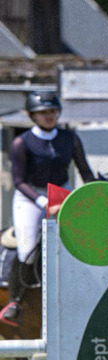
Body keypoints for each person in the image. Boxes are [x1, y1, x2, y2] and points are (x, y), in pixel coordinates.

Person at [0, 91, 95, 326]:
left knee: (85, 241)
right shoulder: (22, 143)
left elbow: (85, 171)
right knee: (28, 247)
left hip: (63, 191)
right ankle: (15, 303)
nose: (49, 116)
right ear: (33, 115)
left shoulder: (70, 138)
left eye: (52, 111)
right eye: (43, 112)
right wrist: (43, 202)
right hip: (31, 196)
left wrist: (95, 196)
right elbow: (19, 181)